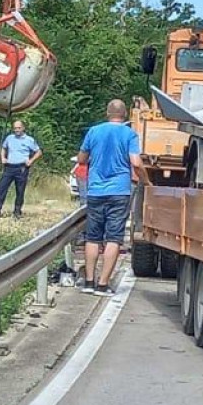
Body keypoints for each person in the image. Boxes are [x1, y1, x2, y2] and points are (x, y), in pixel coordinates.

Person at [79, 99, 147, 296]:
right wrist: (146, 181)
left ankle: (89, 282)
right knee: (114, 238)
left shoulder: (94, 131)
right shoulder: (130, 134)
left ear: (107, 113)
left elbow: (82, 159)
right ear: (125, 115)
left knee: (92, 237)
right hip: (119, 191)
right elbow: (136, 163)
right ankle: (103, 285)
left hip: (95, 191)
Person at [0, 120, 42, 219]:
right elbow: (3, 147)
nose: (17, 130)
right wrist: (3, 157)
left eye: (19, 128)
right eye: (15, 128)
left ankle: (17, 212)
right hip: (9, 167)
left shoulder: (29, 140)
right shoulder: (9, 138)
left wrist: (31, 161)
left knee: (20, 191)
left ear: (23, 128)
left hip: (22, 168)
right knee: (1, 188)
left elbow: (39, 152)